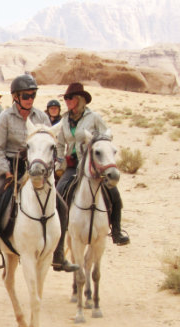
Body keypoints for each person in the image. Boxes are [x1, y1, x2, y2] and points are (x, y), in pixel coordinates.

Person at [0, 74, 79, 273]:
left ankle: (58, 255)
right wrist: (6, 172)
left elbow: (49, 144)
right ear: (16, 97)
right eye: (25, 96)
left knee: (62, 206)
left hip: (35, 168)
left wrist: (53, 164)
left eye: (32, 95)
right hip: (8, 167)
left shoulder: (41, 117)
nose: (30, 99)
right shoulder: (5, 117)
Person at [54, 82, 130, 249]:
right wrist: (60, 161)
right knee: (58, 193)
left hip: (92, 165)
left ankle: (116, 231)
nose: (67, 101)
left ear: (79, 99)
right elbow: (60, 143)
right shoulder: (64, 120)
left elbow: (107, 136)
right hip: (72, 165)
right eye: (65, 98)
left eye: (70, 97)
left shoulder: (93, 117)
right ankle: (58, 241)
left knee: (114, 195)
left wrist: (97, 145)